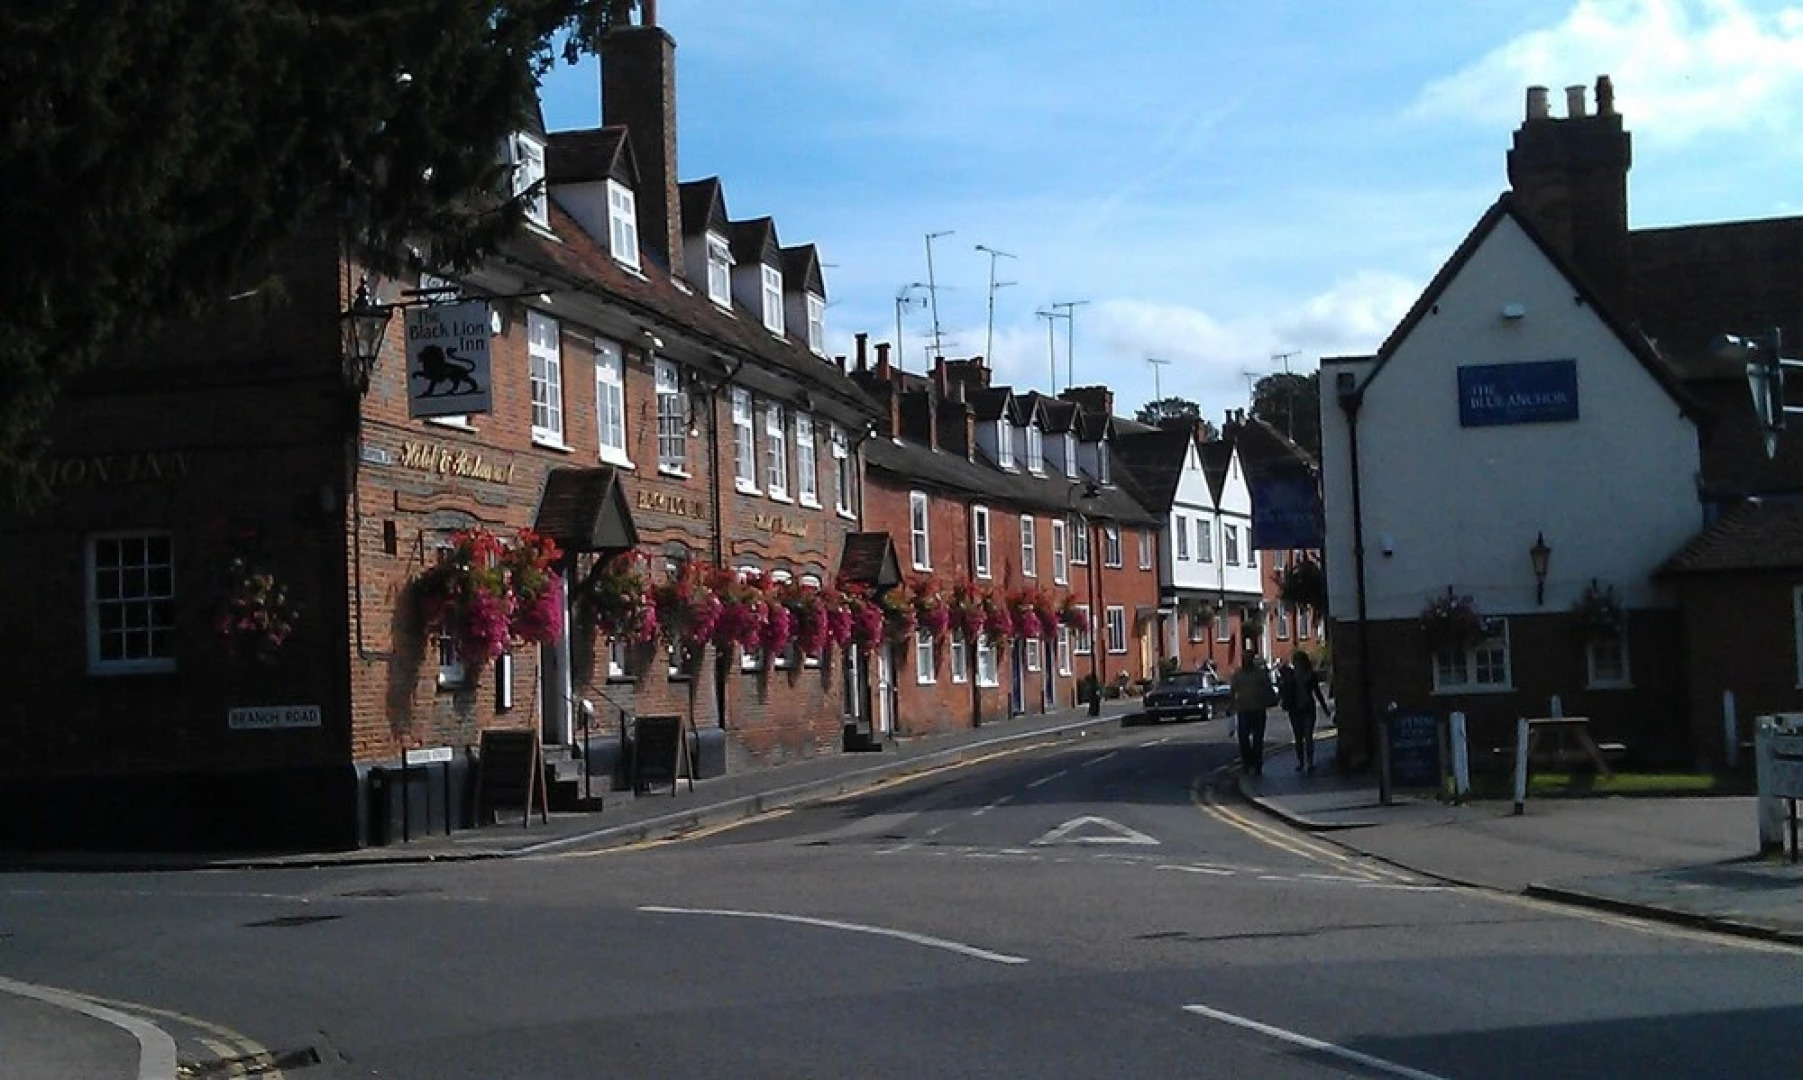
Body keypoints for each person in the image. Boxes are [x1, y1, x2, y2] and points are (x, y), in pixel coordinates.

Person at [1281, 649, 1332, 774]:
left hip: (1306, 708)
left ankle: (1307, 762)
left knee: (1306, 736)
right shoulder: (1293, 675)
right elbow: (1285, 691)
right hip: (1297, 709)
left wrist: (1325, 708)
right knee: (1300, 737)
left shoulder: (1309, 675)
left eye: (1298, 661)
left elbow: (1317, 693)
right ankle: (1302, 761)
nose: (1297, 663)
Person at [1230, 651, 1278, 776]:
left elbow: (1268, 688)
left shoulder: (1259, 674)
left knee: (1258, 739)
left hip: (1258, 710)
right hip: (1243, 710)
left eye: (1247, 659)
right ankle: (1247, 762)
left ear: (1252, 660)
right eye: (1243, 659)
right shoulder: (1238, 675)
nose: (1245, 661)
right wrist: (1231, 706)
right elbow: (1232, 691)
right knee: (1243, 739)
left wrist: (1272, 700)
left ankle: (1257, 764)